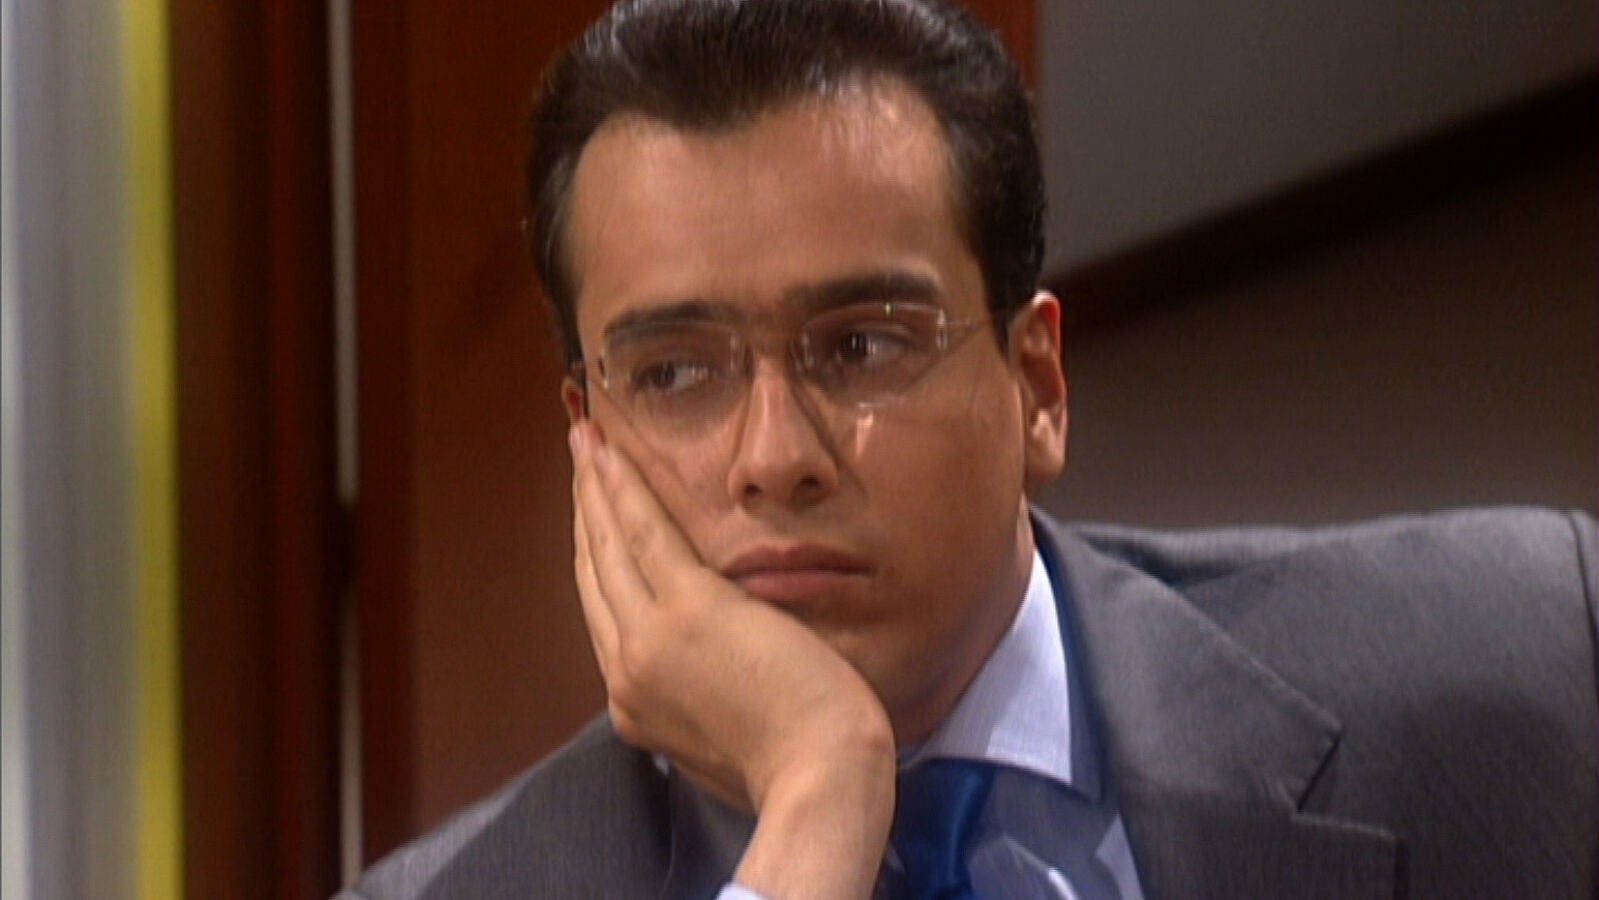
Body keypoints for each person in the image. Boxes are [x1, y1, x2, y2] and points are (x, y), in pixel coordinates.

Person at [340, 0, 1599, 897]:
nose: (773, 457)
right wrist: (819, 797)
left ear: (1036, 386)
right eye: (674, 374)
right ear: (589, 439)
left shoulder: (1526, 657)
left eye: (861, 346)